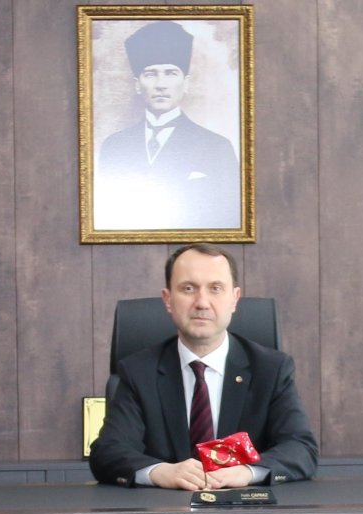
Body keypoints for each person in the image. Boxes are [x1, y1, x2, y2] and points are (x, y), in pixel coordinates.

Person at [89, 243, 318, 490]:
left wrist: (248, 473)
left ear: (234, 299)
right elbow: (108, 452)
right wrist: (160, 472)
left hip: (245, 508)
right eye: (188, 288)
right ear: (168, 299)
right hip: (164, 509)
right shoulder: (138, 372)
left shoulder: (270, 369)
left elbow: (300, 448)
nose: (202, 302)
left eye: (215, 288)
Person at [94, 21, 241, 231]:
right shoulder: (114, 146)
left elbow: (229, 218)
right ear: (137, 84)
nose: (161, 85)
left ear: (186, 83)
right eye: (150, 74)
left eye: (171, 73)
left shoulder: (216, 147)